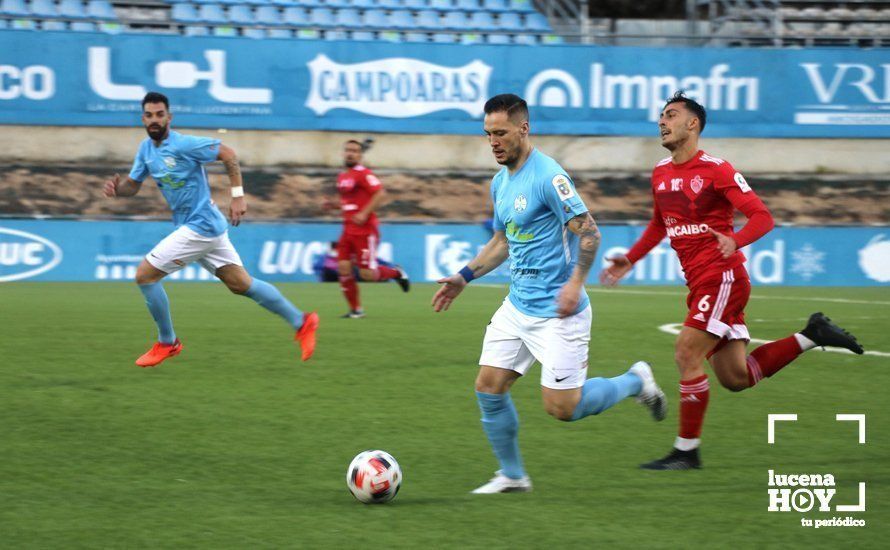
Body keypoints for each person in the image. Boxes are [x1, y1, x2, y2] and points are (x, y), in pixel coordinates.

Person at [600, 91, 864, 470]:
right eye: (661, 115)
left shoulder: (717, 169)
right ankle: (812, 335)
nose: (662, 121)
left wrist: (735, 240)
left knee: (686, 352)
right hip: (701, 282)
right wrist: (631, 258)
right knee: (736, 377)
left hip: (721, 277)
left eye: (671, 115)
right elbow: (660, 223)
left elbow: (762, 217)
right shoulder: (660, 172)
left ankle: (686, 452)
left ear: (693, 124)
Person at [432, 94, 667, 494]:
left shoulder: (549, 177)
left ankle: (635, 381)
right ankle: (512, 475)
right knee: (488, 387)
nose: (493, 142)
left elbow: (590, 231)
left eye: (501, 133)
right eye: (488, 134)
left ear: (523, 128)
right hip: (517, 306)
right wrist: (464, 276)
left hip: (558, 312)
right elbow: (501, 240)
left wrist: (576, 283)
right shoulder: (500, 182)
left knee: (563, 409)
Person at [103, 92, 319, 367]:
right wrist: (118, 190)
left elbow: (227, 154)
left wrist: (238, 196)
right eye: (149, 115)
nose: (154, 120)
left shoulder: (184, 144)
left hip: (200, 226)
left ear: (169, 117)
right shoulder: (145, 150)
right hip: (205, 226)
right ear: (143, 118)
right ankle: (302, 322)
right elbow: (133, 185)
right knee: (241, 284)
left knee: (145, 275)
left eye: (160, 115)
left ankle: (168, 342)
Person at [334, 139, 410, 319]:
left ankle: (396, 273)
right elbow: (349, 203)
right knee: (343, 268)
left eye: (354, 151)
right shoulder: (343, 176)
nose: (350, 153)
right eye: (347, 150)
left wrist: (364, 213)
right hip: (347, 230)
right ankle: (356, 310)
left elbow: (380, 193)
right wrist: (333, 206)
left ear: (360, 155)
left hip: (365, 231)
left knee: (367, 274)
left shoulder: (363, 173)